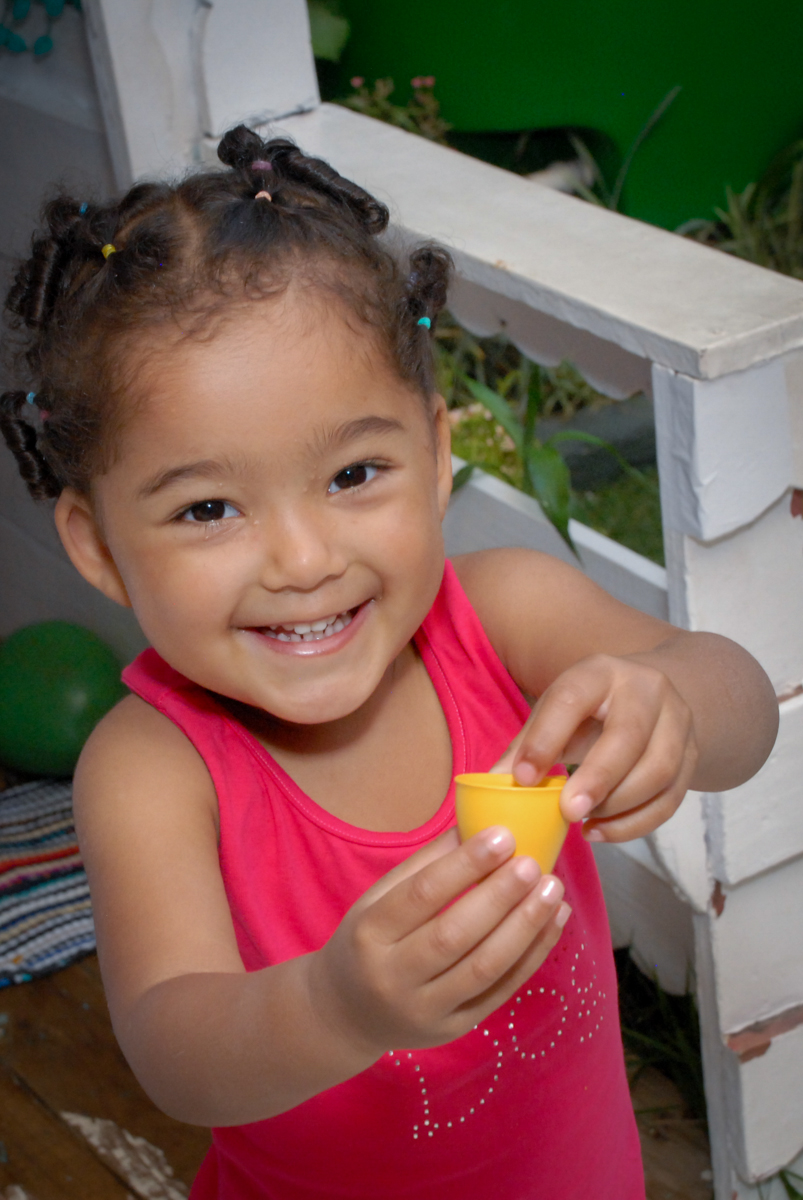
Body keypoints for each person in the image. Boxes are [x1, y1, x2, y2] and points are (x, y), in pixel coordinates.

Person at [0, 126, 778, 1200]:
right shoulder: (152, 770)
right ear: (97, 547)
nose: (304, 560)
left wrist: (676, 703)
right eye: (208, 508)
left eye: (354, 472)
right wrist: (333, 1007)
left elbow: (746, 712)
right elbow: (174, 1053)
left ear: (436, 449)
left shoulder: (502, 615)